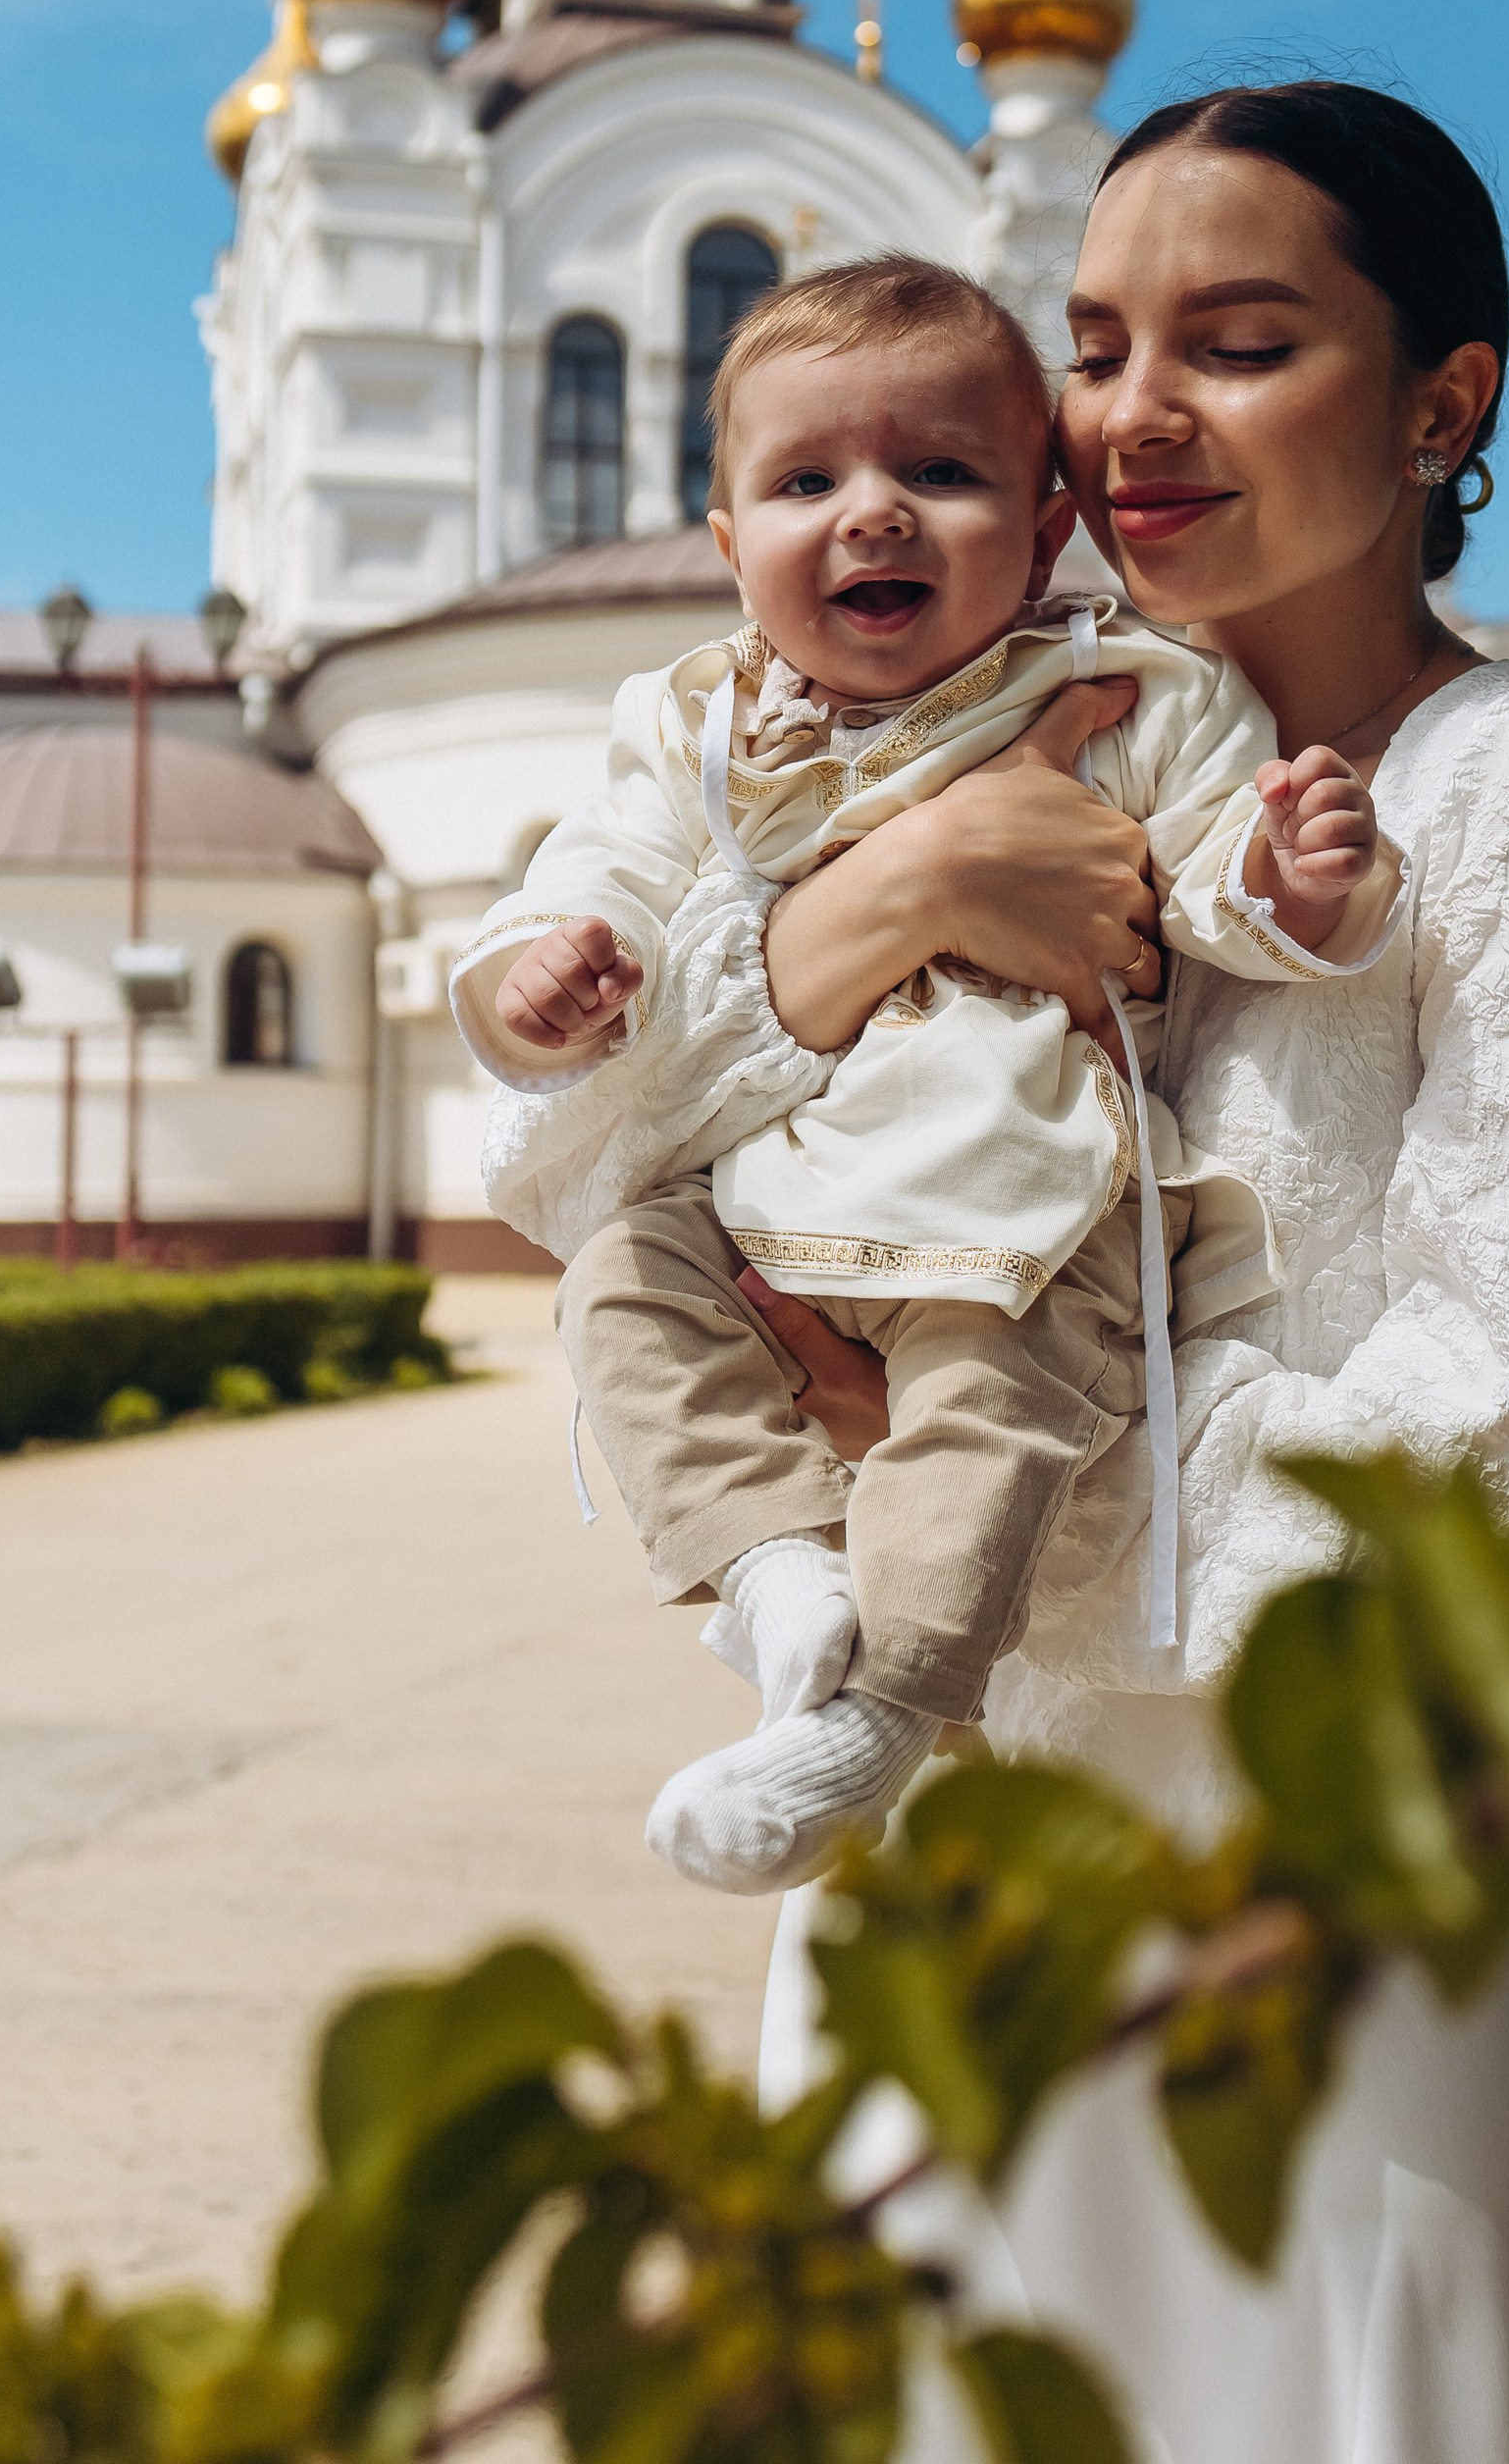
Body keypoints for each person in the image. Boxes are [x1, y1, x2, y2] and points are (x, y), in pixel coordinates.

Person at [482, 84, 1509, 2464]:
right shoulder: (963, 734)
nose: (1133, 415)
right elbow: (556, 1166)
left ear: (1443, 400)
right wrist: (876, 903)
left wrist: (979, 1486)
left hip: (1331, 1877)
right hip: (946, 1824)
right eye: (1091, 341)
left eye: (1242, 343)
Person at [450, 256, 1398, 1898]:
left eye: (940, 473)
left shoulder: (1126, 695)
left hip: (1024, 1183)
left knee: (987, 1409)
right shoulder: (692, 726)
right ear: (729, 541)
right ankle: (772, 1570)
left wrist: (1293, 882)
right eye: (808, 480)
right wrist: (548, 978)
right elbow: (591, 876)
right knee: (619, 1281)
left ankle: (875, 1722)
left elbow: (1199, 877)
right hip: (768, 1189)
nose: (873, 514)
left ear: (1045, 532)